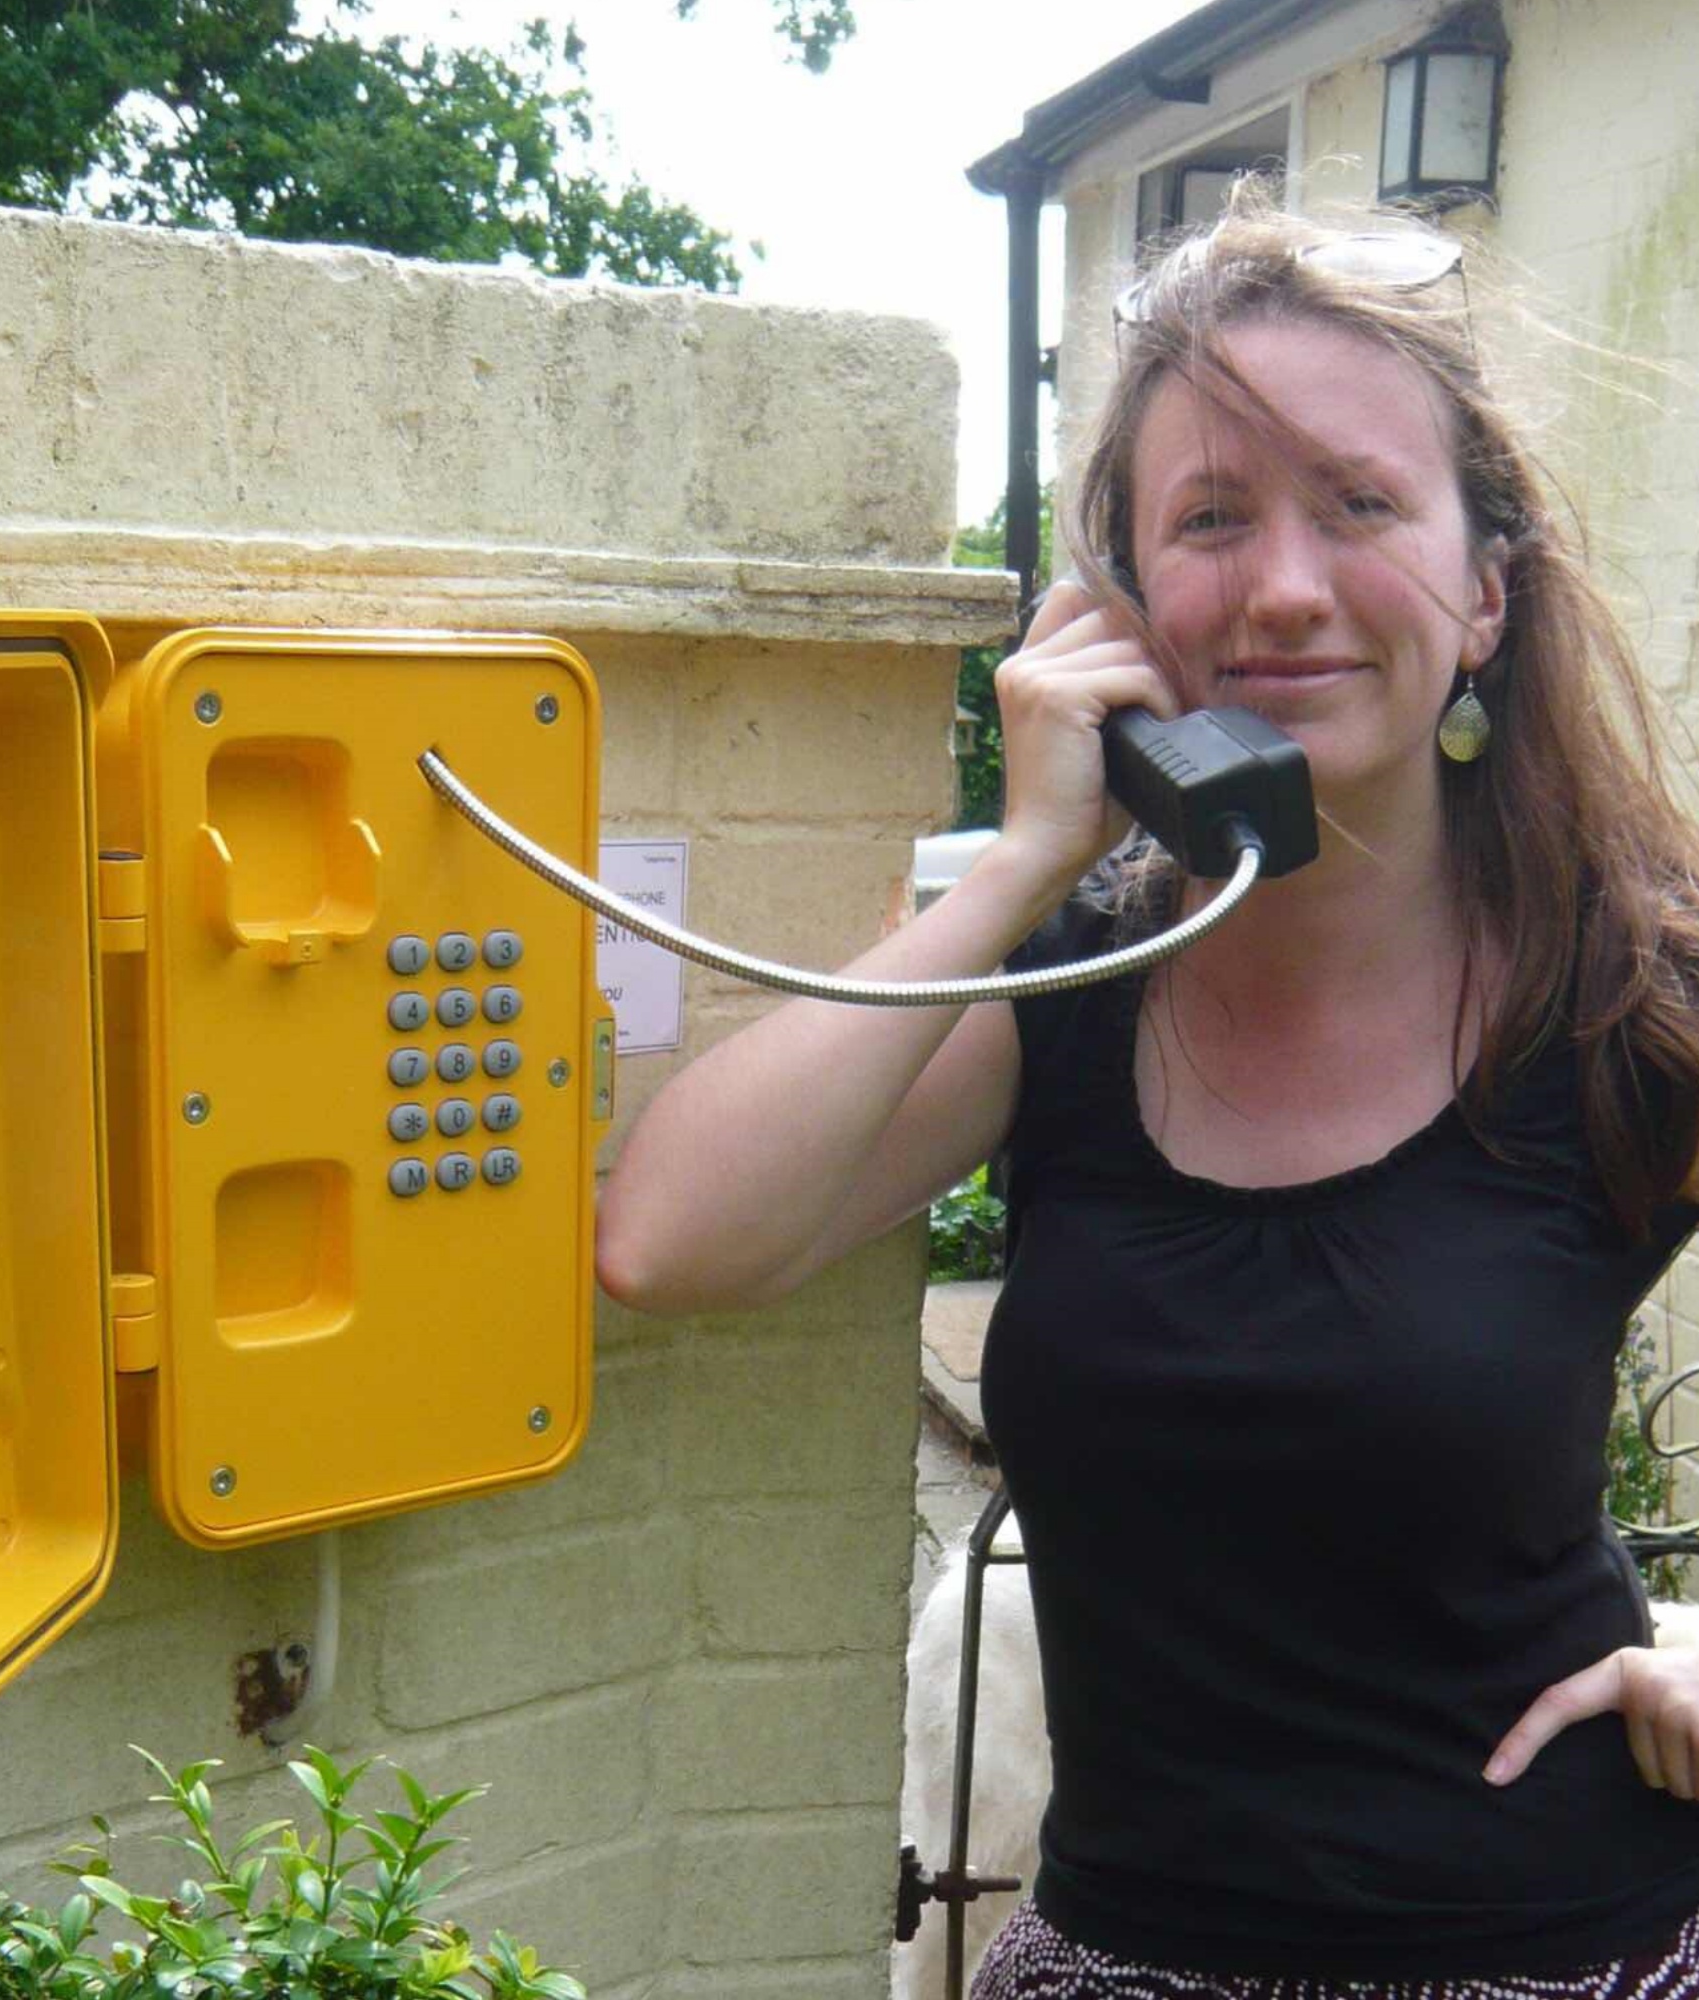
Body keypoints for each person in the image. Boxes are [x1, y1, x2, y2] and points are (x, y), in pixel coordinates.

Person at [596, 186, 1699, 1994]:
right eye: (1209, 518)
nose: (1283, 585)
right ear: (1118, 608)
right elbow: (671, 1239)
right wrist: (1025, 857)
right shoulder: (1062, 990)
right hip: (1121, 1959)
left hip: (1562, 1955)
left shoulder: (1628, 1001)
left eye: (1359, 505)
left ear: (1485, 593)